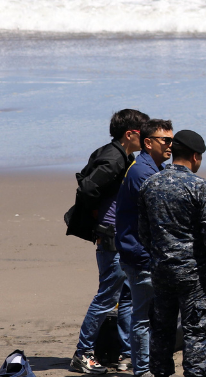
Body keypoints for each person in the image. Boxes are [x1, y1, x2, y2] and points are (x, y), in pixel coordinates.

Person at [68, 109, 148, 375]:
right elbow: (88, 188)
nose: (147, 138)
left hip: (119, 236)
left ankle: (127, 354)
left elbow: (86, 178)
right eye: (143, 133)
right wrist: (97, 219)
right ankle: (83, 353)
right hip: (111, 237)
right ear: (130, 134)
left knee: (126, 297)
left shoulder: (119, 154)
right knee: (107, 297)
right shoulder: (115, 158)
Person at [138, 130, 206, 377]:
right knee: (196, 332)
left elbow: (143, 233)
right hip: (195, 273)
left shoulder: (150, 183)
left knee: (162, 330)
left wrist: (159, 255)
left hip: (162, 271)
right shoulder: (200, 187)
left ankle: (160, 373)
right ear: (195, 156)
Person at [115, 118, 174, 377]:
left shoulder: (152, 168)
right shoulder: (143, 173)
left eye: (173, 140)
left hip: (139, 253)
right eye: (166, 140)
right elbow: (160, 216)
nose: (171, 145)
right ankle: (143, 371)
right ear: (148, 143)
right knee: (143, 319)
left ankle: (145, 368)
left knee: (147, 315)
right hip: (140, 255)